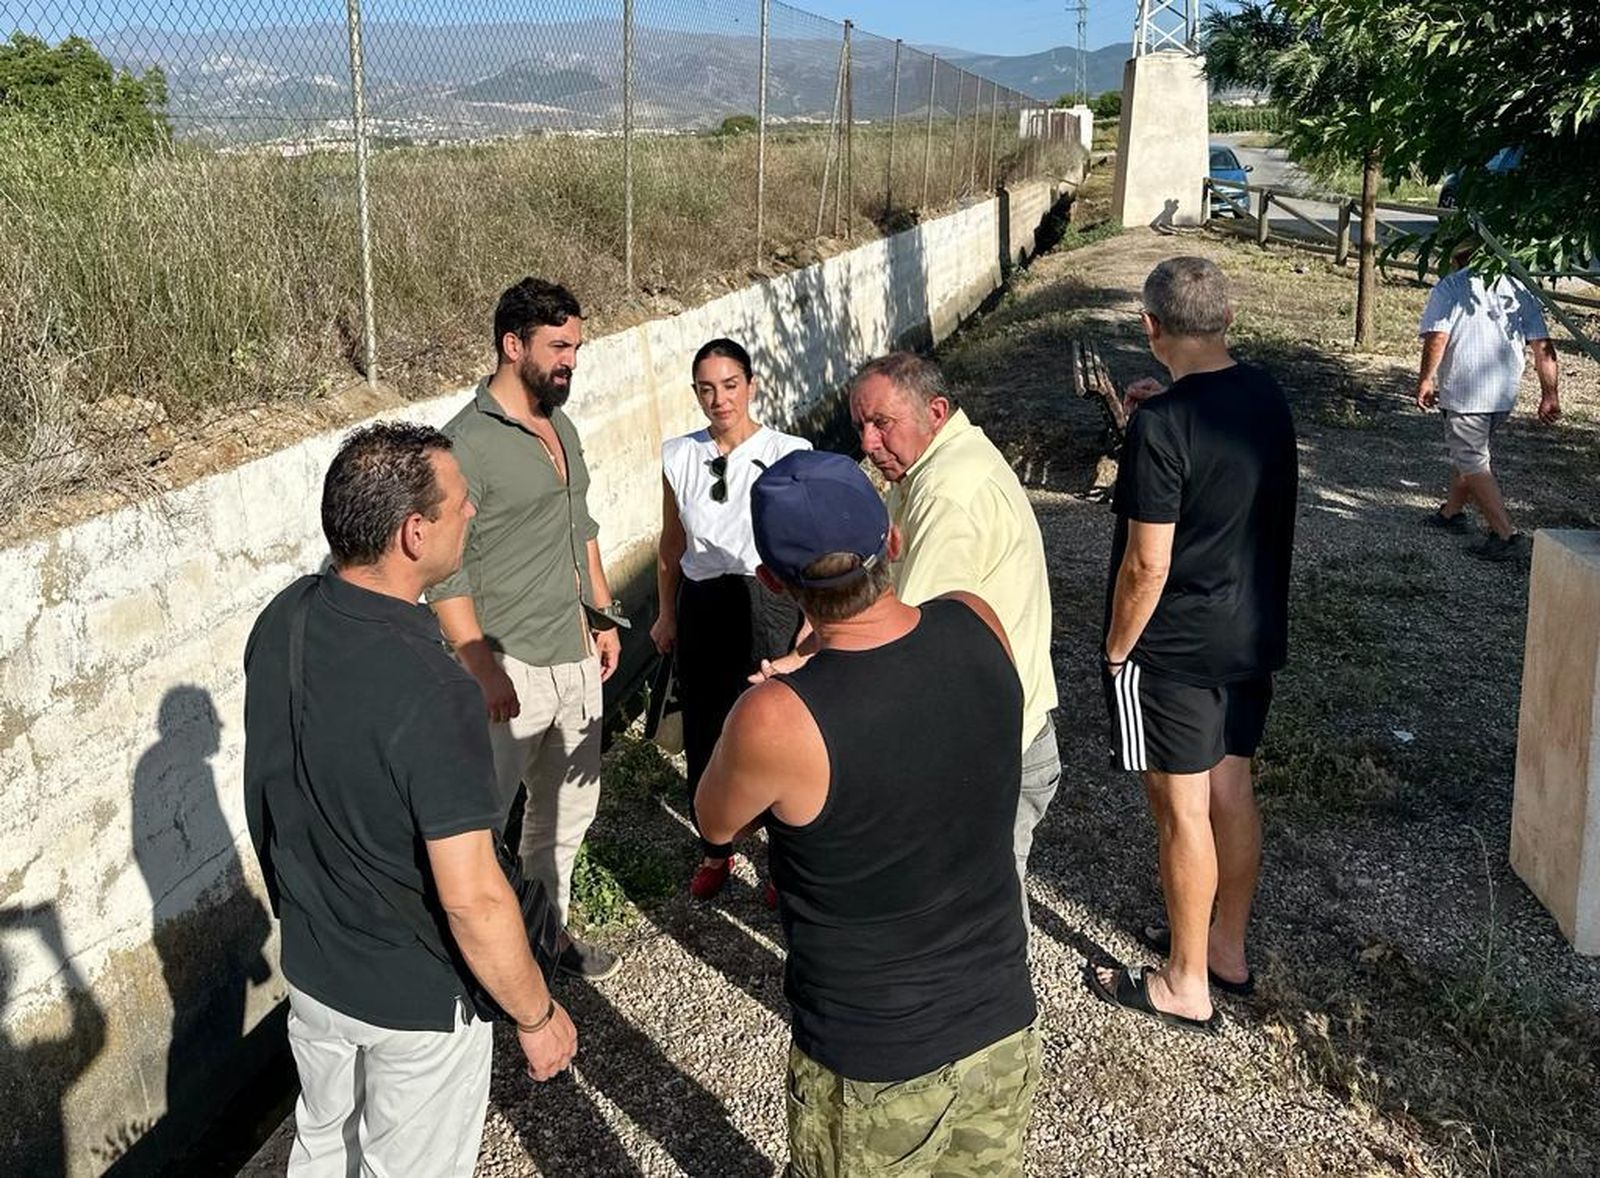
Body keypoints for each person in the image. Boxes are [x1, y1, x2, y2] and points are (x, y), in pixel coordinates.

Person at [244, 423, 577, 1175]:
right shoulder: (435, 690)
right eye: (462, 503)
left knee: (324, 1149)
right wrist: (537, 1016)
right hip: (415, 1004)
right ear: (414, 532)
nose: (472, 514)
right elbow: (475, 902)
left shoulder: (284, 619)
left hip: (316, 972)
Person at [697, 450, 1040, 1178]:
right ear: (892, 540)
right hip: (999, 1016)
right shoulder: (977, 621)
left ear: (772, 582)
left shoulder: (776, 718)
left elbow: (715, 822)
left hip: (873, 1056)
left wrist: (778, 693)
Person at [1092, 256, 1297, 1035]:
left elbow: (1148, 562)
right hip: (1251, 629)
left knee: (1181, 810)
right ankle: (1223, 948)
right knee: (1230, 788)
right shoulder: (1265, 396)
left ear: (1150, 328)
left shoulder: (1162, 425)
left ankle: (1183, 983)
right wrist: (1164, 408)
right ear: (1227, 321)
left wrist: (1118, 649)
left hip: (1174, 647)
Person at [428, 277, 622, 981]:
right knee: (479, 830)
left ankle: (548, 940)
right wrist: (480, 666)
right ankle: (475, 968)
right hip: (509, 669)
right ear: (513, 346)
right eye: (559, 346)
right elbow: (441, 570)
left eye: (576, 346)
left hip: (574, 657)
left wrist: (602, 616)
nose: (572, 360)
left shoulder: (558, 422)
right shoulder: (464, 446)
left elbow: (582, 525)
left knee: (563, 822)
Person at [847, 352, 1059, 919]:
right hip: (998, 730)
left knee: (982, 917)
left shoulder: (947, 491)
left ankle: (1004, 1007)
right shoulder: (928, 465)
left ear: (936, 411)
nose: (868, 443)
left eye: (882, 424)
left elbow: (900, 640)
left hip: (990, 752)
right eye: (860, 426)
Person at [648, 338, 810, 900]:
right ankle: (717, 847)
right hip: (702, 601)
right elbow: (671, 544)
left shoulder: (789, 452)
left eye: (730, 385)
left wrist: (810, 623)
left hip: (769, 598)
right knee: (706, 725)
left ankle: (782, 856)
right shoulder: (678, 455)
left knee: (775, 725)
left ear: (751, 385)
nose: (719, 399)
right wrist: (666, 612)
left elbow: (804, 545)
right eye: (706, 388)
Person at [1416, 247, 1561, 562]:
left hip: (1467, 392)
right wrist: (1550, 394)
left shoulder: (1452, 286)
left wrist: (1426, 379)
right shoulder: (1520, 288)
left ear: (1458, 258)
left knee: (1471, 459)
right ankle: (1452, 513)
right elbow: (1542, 345)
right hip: (1501, 394)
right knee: (1468, 451)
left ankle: (1506, 535)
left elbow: (1437, 337)